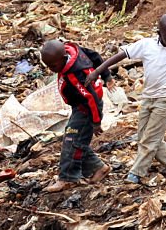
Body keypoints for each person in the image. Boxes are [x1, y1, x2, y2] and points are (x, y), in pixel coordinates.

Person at [86, 13, 166, 184]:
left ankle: (136, 173)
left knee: (149, 139)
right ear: (159, 33)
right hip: (147, 98)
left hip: (165, 100)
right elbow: (120, 56)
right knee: (142, 136)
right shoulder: (146, 45)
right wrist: (97, 71)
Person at [40, 39, 112, 193]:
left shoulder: (75, 74)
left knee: (72, 140)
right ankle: (99, 167)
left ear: (63, 56)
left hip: (86, 110)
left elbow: (91, 99)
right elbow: (95, 55)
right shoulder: (74, 50)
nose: (51, 69)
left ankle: (68, 178)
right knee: (76, 140)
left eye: (53, 66)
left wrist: (96, 121)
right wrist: (107, 75)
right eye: (47, 66)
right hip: (79, 107)